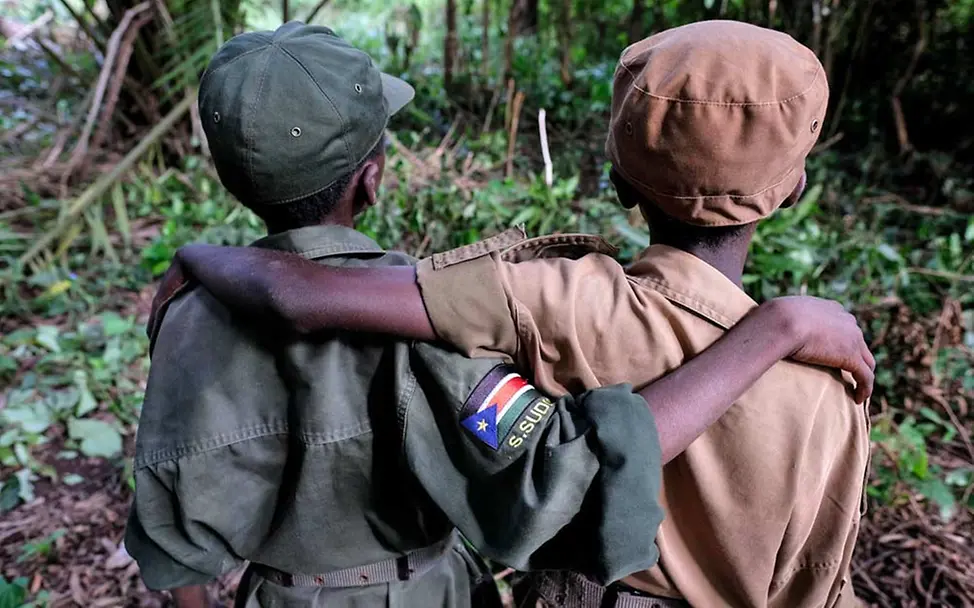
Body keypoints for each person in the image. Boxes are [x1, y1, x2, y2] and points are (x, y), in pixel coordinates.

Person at [155, 21, 873, 608]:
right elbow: (555, 468)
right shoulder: (827, 390)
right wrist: (777, 329)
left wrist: (199, 258)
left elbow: (172, 518)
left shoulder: (539, 300)